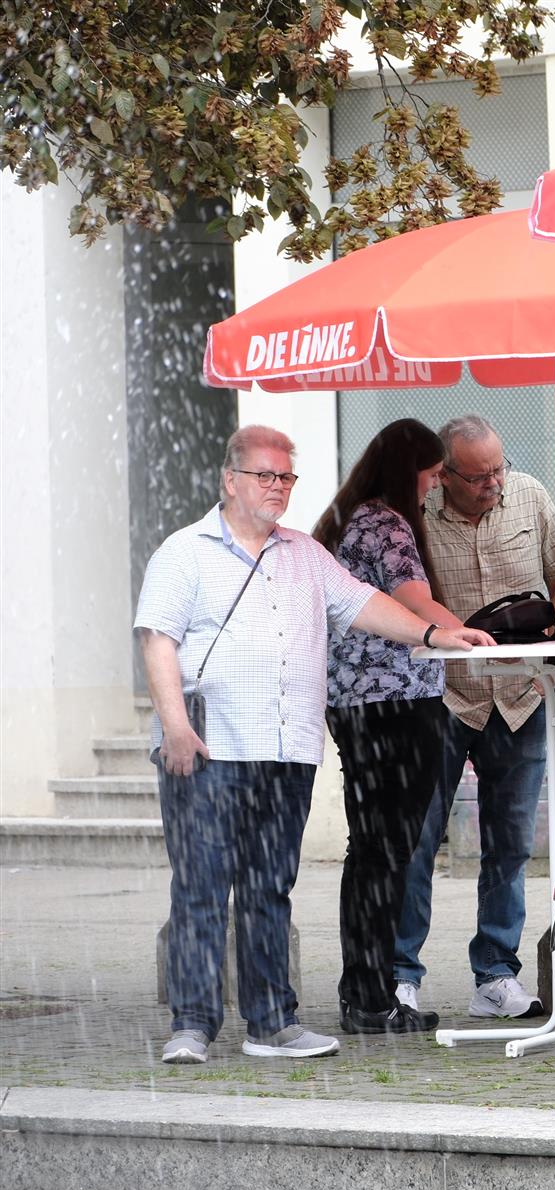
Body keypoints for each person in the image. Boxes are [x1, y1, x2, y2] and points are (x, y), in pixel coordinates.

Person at [135, 425, 481, 1065]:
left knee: (269, 888)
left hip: (286, 748)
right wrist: (175, 727)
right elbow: (157, 639)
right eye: (264, 475)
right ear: (230, 479)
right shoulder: (184, 553)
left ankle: (272, 1022)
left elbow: (366, 604)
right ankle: (192, 1025)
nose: (277, 487)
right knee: (202, 889)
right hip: (208, 745)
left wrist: (434, 636)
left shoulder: (304, 553)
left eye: (286, 477)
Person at [314, 418, 496, 1037]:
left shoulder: (347, 518)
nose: (435, 485)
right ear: (409, 471)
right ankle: (371, 998)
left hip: (354, 704)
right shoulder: (386, 521)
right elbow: (415, 599)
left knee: (371, 849)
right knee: (388, 851)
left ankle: (364, 993)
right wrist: (468, 636)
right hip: (394, 703)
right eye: (433, 472)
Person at [394, 415, 555, 1021]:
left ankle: (495, 975)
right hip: (440, 698)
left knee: (510, 846)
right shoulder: (415, 515)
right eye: (478, 475)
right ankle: (400, 976)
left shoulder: (531, 496)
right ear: (445, 475)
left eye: (499, 468)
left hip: (521, 698)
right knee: (417, 842)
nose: (494, 482)